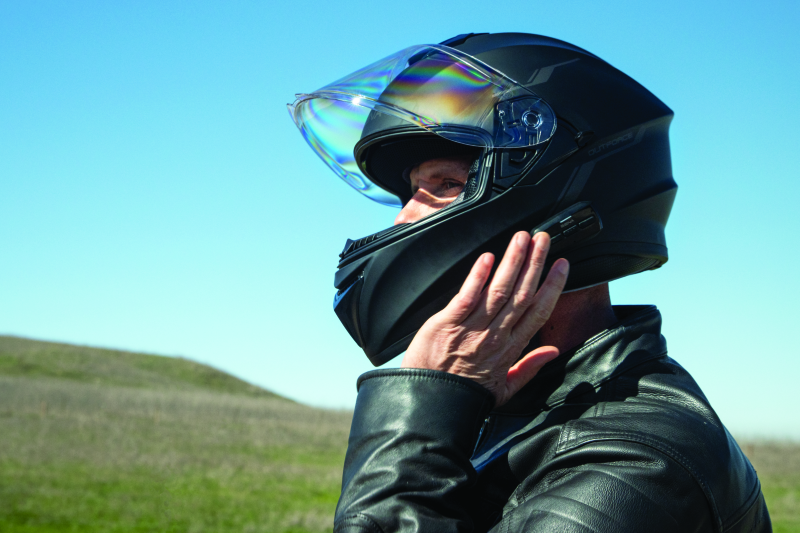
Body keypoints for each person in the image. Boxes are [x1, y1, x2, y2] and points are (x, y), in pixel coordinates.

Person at [289, 33, 771, 532]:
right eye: (411, 192)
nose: (403, 220)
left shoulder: (637, 465)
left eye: (446, 185)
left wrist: (422, 409)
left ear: (554, 207)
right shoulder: (513, 406)